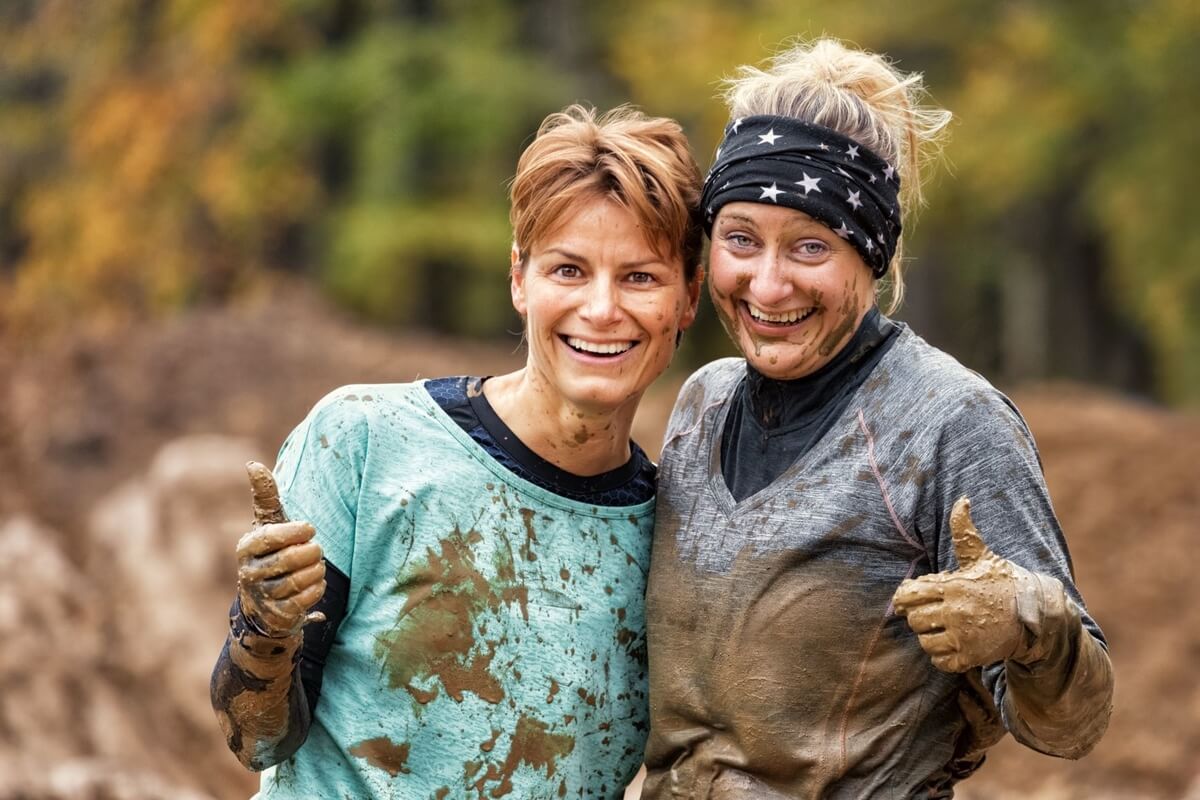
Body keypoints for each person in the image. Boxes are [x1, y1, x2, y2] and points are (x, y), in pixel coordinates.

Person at [641, 39, 1113, 799]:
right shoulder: (701, 404)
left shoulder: (949, 421)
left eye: (809, 246)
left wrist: (1031, 622)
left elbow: (1075, 722)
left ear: (874, 255)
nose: (767, 283)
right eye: (740, 241)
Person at [210, 104, 704, 798]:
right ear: (518, 279)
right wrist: (264, 628)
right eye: (568, 270)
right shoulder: (365, 440)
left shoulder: (675, 538)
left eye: (640, 278)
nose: (601, 308)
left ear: (689, 298)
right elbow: (255, 739)